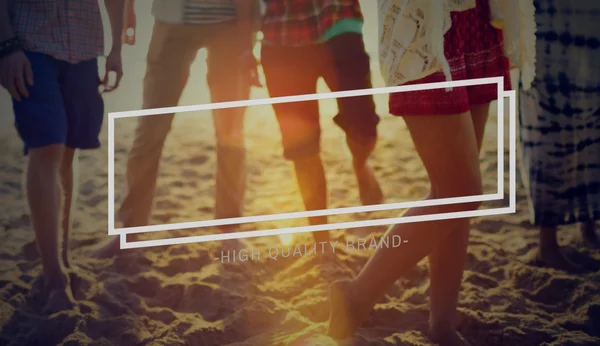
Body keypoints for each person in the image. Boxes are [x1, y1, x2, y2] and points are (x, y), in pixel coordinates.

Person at [327, 0, 536, 344]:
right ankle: (355, 295)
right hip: (423, 32)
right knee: (462, 191)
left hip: (477, 23)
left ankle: (442, 322)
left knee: (452, 193)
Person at [93, 0, 261, 258]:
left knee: (231, 130)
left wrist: (246, 42)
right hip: (172, 21)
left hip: (232, 24)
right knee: (149, 128)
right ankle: (129, 229)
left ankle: (230, 230)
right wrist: (128, 11)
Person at [0, 0, 125, 313]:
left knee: (68, 151)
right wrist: (6, 47)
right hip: (29, 43)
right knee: (47, 147)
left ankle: (63, 260)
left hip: (83, 46)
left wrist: (116, 48)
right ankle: (54, 277)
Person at [260, 0, 383, 244]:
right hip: (281, 36)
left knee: (364, 127)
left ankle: (360, 165)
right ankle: (321, 242)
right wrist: (243, 47)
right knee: (302, 148)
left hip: (338, 21)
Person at [519, 0, 600, 272]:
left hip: (590, 17)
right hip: (543, 18)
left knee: (594, 119)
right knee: (547, 126)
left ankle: (589, 223)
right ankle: (548, 243)